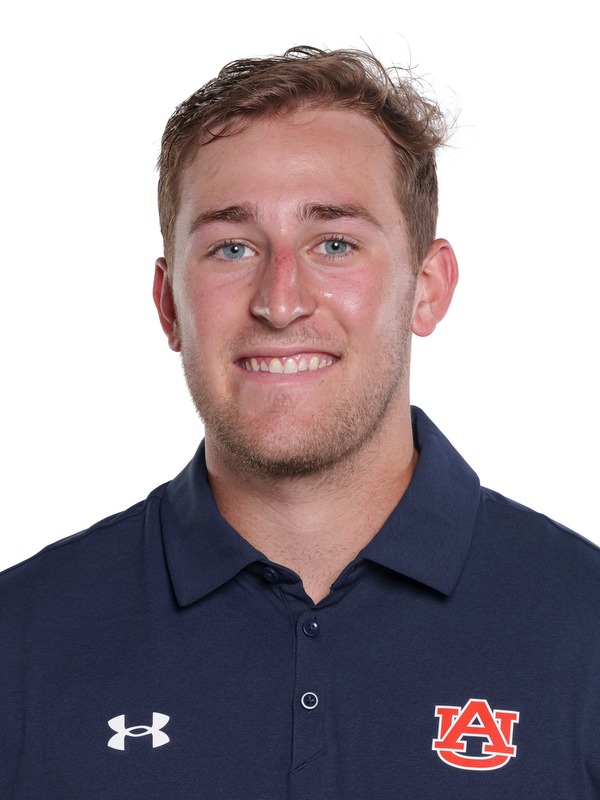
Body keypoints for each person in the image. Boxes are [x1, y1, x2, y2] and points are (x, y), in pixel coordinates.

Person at [1, 46, 598, 799]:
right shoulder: (20, 642)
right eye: (232, 247)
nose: (280, 302)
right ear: (168, 304)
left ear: (428, 288)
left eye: (335, 243)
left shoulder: (585, 628)